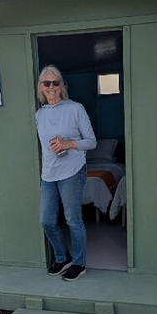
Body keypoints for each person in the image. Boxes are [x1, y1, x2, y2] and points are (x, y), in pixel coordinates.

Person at [35, 64, 97, 281]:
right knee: (46, 220)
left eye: (55, 82)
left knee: (73, 220)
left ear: (62, 85)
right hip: (48, 175)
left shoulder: (75, 109)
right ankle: (63, 257)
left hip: (72, 171)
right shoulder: (39, 114)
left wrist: (68, 144)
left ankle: (79, 264)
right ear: (41, 87)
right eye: (47, 83)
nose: (51, 87)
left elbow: (91, 142)